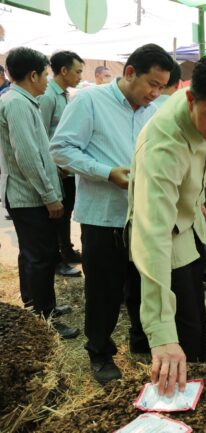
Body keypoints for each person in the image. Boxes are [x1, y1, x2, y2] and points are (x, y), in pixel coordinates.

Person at [128, 54, 206, 398]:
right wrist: (161, 333)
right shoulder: (164, 145)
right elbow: (151, 234)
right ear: (190, 99)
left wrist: (196, 200)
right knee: (179, 340)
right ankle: (173, 399)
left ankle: (189, 384)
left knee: (194, 325)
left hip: (189, 229)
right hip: (166, 242)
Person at [51, 44, 175, 384]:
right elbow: (60, 148)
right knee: (103, 290)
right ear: (130, 72)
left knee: (142, 283)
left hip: (143, 216)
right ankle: (100, 352)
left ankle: (141, 338)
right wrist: (106, 172)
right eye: (152, 84)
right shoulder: (90, 101)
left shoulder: (154, 111)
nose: (155, 93)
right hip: (103, 218)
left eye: (161, 87)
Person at [0, 47, 78, 339]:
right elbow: (27, 156)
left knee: (32, 254)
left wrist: (54, 170)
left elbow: (37, 151)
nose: (47, 80)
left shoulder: (22, 101)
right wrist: (49, 196)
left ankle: (35, 306)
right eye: (45, 75)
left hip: (28, 193)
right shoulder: (17, 104)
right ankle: (45, 317)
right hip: (28, 196)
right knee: (41, 256)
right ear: (32, 75)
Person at [38, 50, 85, 278]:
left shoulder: (65, 95)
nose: (80, 76)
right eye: (77, 71)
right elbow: (40, 134)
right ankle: (57, 259)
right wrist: (53, 166)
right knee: (57, 215)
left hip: (66, 168)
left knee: (66, 212)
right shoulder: (47, 96)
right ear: (63, 71)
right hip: (55, 169)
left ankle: (67, 250)